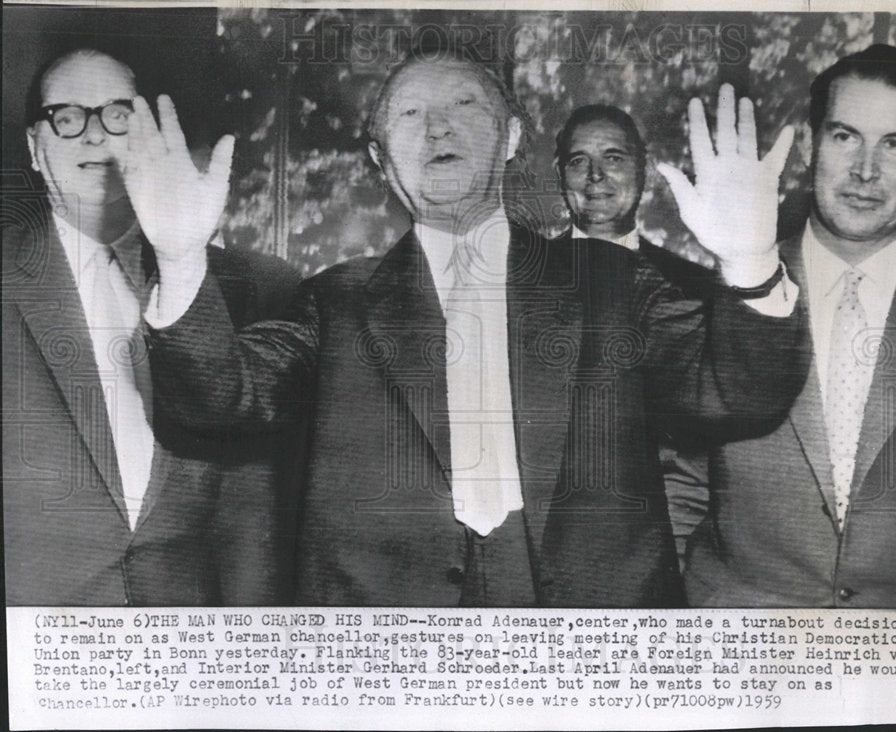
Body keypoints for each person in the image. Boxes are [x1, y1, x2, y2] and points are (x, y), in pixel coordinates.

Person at [140, 50, 807, 607]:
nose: (437, 130)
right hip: (391, 654)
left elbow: (740, 393)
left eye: (464, 107)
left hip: (591, 649)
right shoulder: (333, 301)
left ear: (512, 137)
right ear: (378, 158)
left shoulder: (611, 279)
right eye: (409, 115)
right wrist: (177, 261)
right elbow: (221, 401)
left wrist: (750, 260)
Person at [2, 48, 301, 605]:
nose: (95, 137)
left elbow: (253, 494)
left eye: (118, 114)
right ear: (34, 151)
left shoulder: (256, 289)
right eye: (66, 118)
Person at [683, 44, 896, 608]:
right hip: (744, 643)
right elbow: (680, 478)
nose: (865, 171)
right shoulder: (726, 284)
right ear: (811, 143)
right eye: (845, 136)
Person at [553, 103, 713, 562]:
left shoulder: (695, 288)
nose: (596, 176)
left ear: (642, 170)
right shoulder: (521, 280)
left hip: (657, 542)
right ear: (560, 174)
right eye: (579, 160)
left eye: (614, 158)